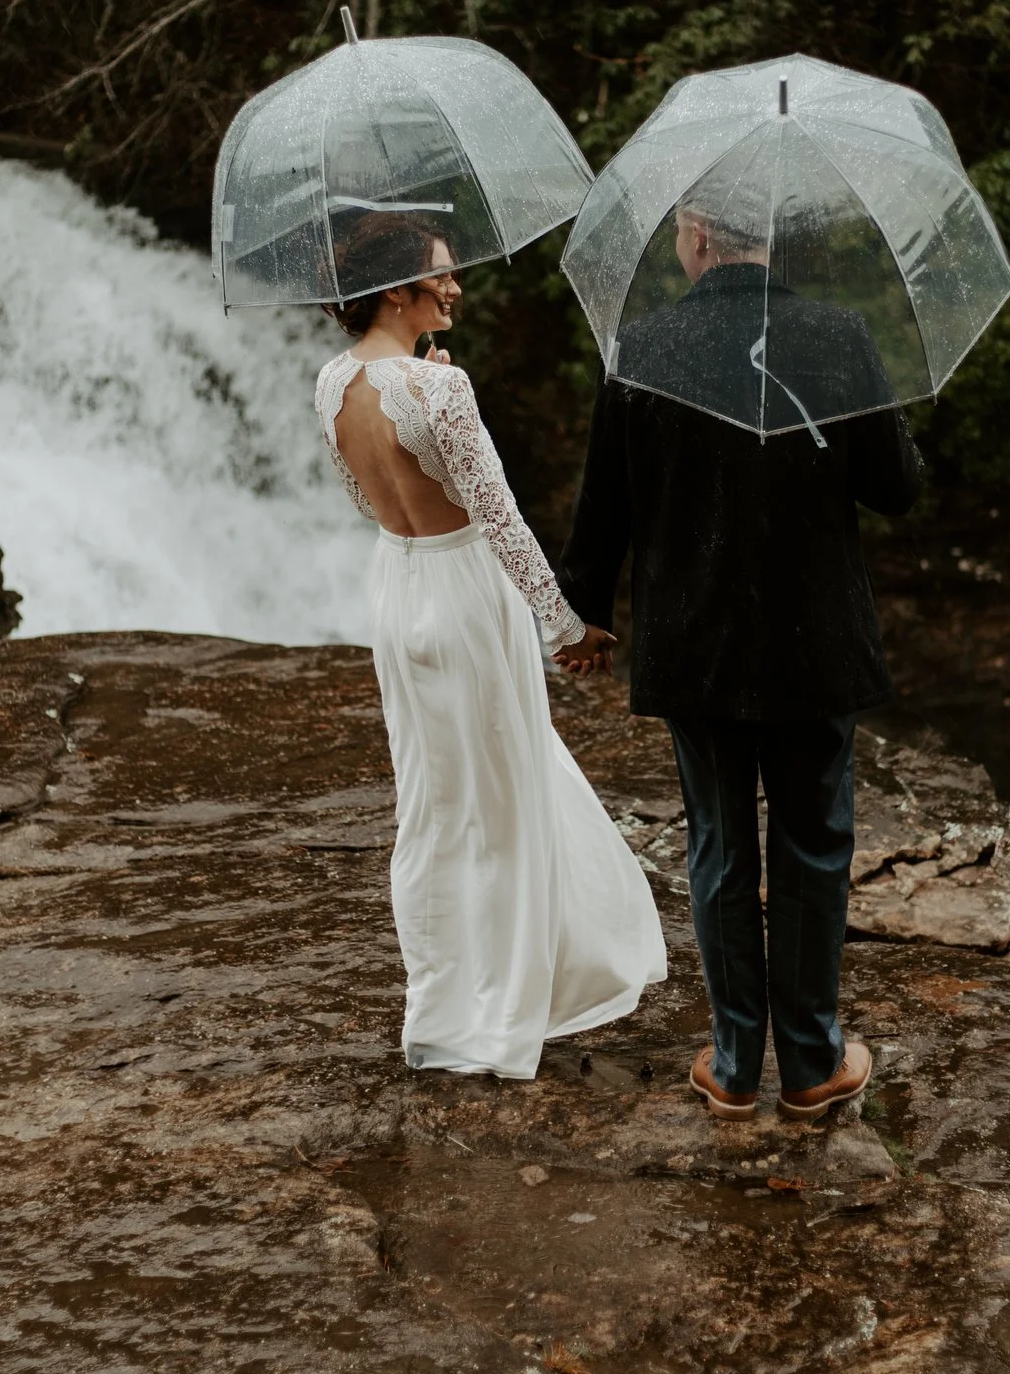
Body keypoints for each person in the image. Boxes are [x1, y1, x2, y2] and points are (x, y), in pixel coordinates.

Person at [558, 203, 923, 1122]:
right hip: (813, 641)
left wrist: (586, 617)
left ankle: (732, 1065)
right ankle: (809, 1064)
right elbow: (898, 490)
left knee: (720, 844)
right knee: (812, 842)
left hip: (700, 644)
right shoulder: (837, 335)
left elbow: (606, 505)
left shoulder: (643, 346)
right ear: (774, 235)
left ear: (696, 233)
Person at [312, 211, 667, 1079]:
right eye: (443, 273)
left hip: (399, 589)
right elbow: (499, 518)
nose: (457, 285)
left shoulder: (330, 385)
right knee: (504, 802)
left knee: (432, 803)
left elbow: (373, 500)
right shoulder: (445, 388)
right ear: (398, 290)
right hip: (468, 593)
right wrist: (565, 626)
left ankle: (438, 1010)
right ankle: (511, 1009)